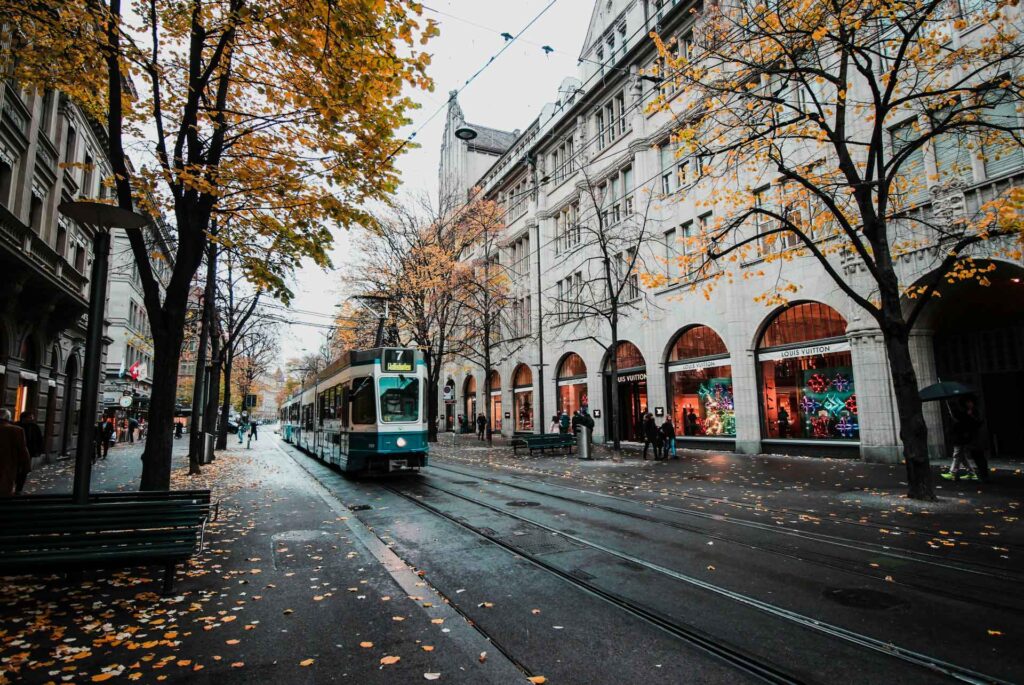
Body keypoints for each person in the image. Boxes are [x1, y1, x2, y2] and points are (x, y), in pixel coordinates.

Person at [943, 398, 983, 481]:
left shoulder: (965, 412)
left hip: (961, 437)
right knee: (962, 457)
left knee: (957, 455)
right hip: (959, 437)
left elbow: (966, 424)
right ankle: (971, 473)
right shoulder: (961, 412)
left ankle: (952, 472)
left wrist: (957, 421)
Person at [0, 409, 30, 497]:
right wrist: (26, 465)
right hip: (8, 462)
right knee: (5, 487)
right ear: (9, 418)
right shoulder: (16, 430)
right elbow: (22, 449)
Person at [15, 412, 43, 493]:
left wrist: (39, 450)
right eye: (30, 417)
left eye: (32, 417)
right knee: (16, 469)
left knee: (24, 470)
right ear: (24, 418)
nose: (32, 419)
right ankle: (15, 484)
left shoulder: (34, 427)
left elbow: (39, 439)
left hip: (29, 451)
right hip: (17, 451)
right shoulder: (16, 425)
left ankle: (19, 488)